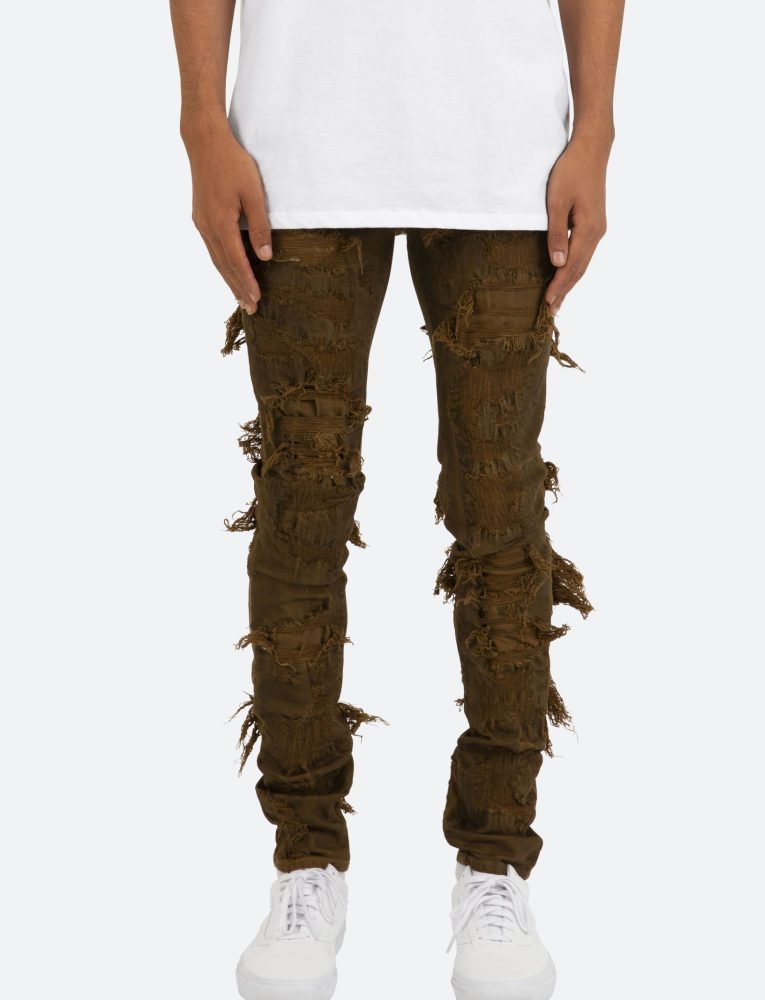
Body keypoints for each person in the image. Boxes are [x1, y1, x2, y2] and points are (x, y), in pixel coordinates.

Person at [170, 2, 624, 998]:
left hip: (502, 145)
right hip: (297, 143)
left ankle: (495, 860)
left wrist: (594, 125)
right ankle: (305, 858)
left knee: (501, 514)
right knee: (300, 506)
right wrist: (201, 120)